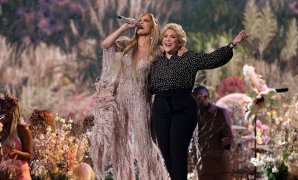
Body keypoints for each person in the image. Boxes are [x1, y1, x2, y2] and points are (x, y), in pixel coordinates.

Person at [149, 23, 248, 180]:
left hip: (183, 106)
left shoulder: (189, 58)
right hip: (161, 107)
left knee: (177, 153)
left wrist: (233, 44)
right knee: (166, 154)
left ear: (179, 41)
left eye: (172, 37)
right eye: (165, 36)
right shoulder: (155, 61)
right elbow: (148, 84)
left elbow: (212, 59)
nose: (168, 39)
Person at [89, 13, 168, 180]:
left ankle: (156, 176)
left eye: (146, 20)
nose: (141, 22)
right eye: (140, 19)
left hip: (140, 97)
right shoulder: (127, 44)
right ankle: (124, 177)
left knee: (144, 140)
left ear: (153, 27)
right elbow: (106, 44)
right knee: (120, 141)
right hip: (119, 95)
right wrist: (125, 26)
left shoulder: (158, 51)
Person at [192, 86, 233, 180]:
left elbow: (228, 138)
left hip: (219, 168)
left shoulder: (220, 112)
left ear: (206, 97)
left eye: (198, 98)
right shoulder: (195, 115)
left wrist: (222, 153)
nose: (195, 101)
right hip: (203, 168)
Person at [0, 94, 33, 180]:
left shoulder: (23, 129)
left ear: (14, 111)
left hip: (21, 174)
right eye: (2, 109)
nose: (4, 112)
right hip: (5, 174)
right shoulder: (2, 130)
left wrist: (16, 152)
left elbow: (29, 155)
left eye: (7, 109)